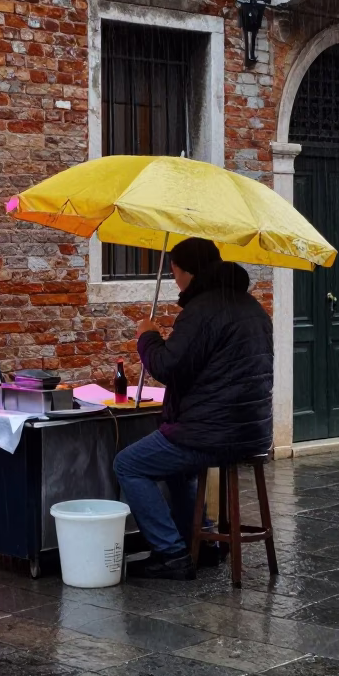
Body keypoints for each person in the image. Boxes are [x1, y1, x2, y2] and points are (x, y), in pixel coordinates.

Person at [114, 237, 274, 580]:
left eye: (174, 273)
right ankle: (203, 543)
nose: (175, 282)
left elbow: (168, 367)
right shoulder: (251, 307)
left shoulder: (202, 311)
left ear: (185, 270)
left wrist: (147, 337)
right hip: (253, 430)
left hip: (213, 432)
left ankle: (171, 553)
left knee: (128, 464)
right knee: (178, 469)